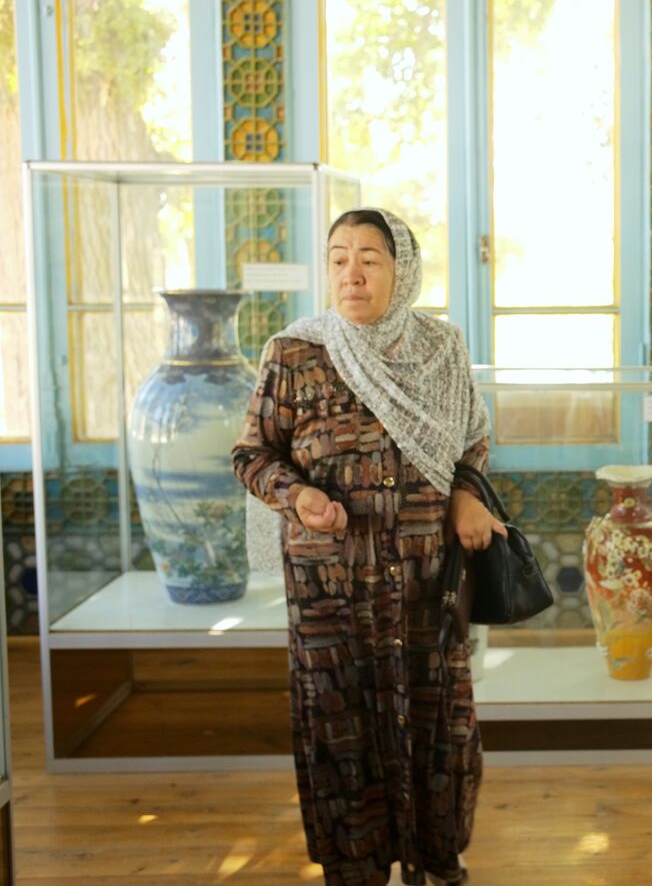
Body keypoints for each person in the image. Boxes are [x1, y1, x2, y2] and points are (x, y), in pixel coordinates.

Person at [233, 208, 503, 886]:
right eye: (339, 258)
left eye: (370, 259)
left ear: (401, 271)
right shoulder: (294, 354)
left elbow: (472, 438)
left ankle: (438, 861)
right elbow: (252, 454)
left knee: (439, 726)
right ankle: (353, 871)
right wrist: (297, 495)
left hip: (425, 584)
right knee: (341, 732)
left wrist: (465, 494)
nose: (351, 274)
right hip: (331, 594)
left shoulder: (440, 348)